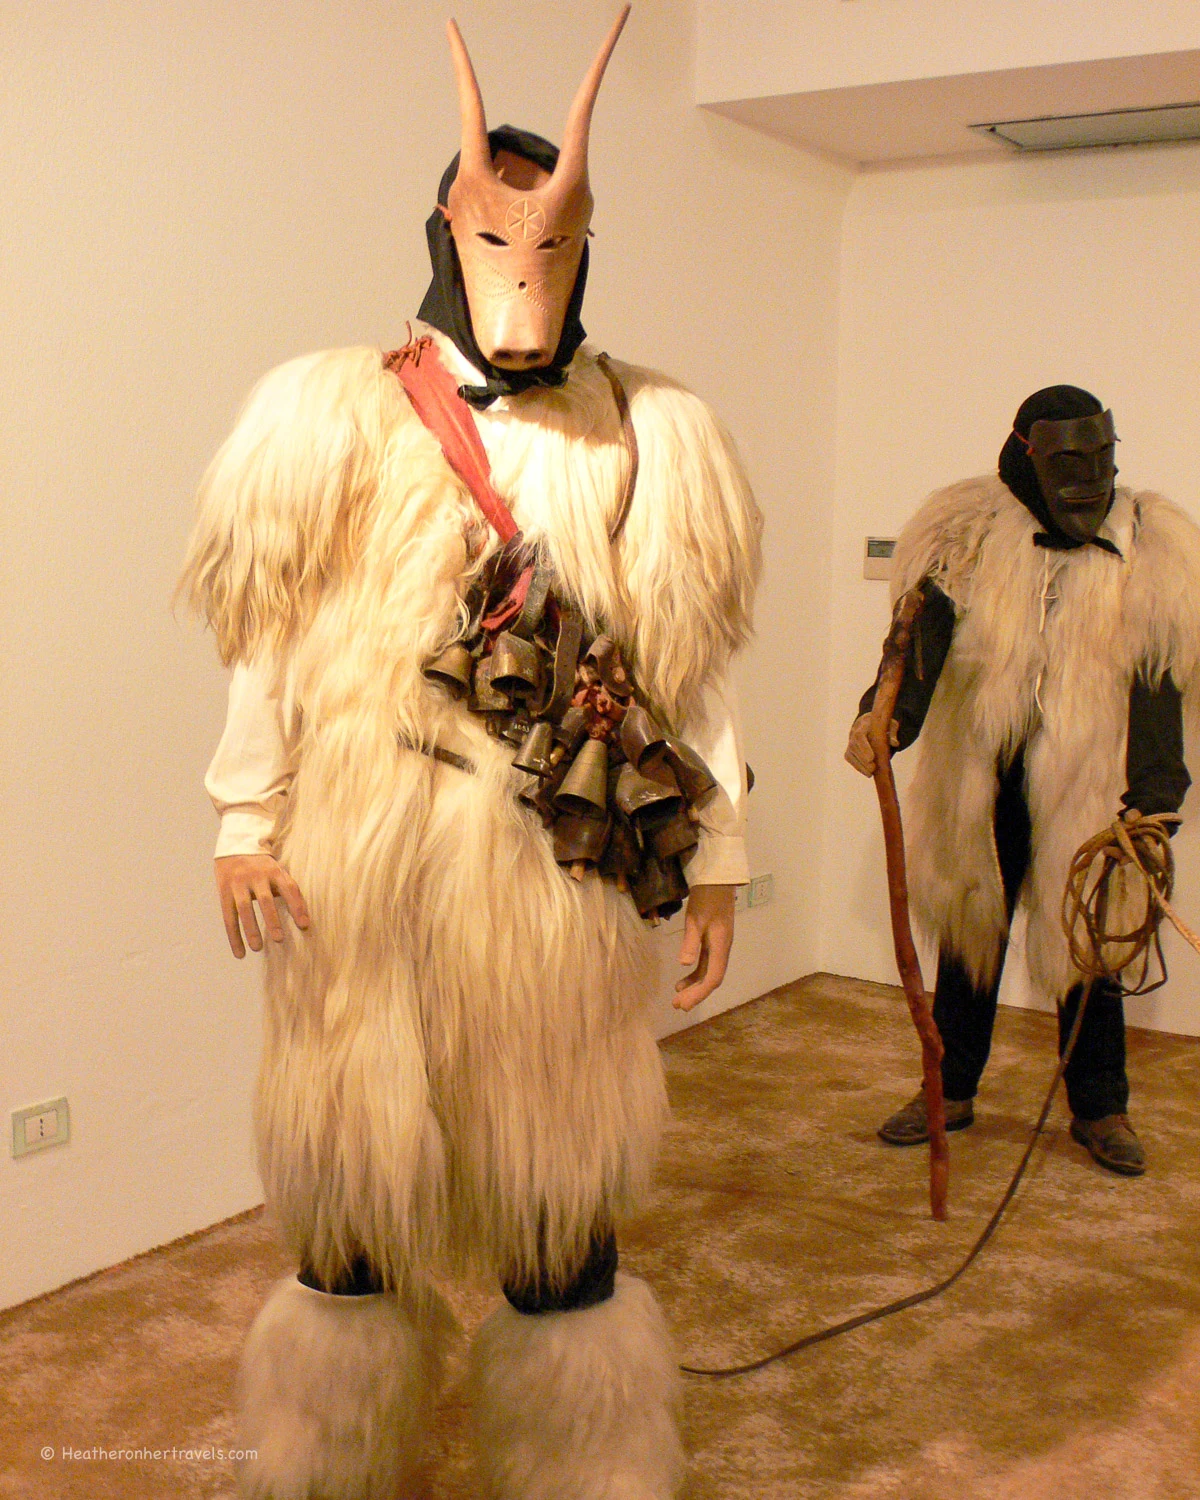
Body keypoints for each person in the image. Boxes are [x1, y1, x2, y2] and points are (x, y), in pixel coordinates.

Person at [180, 11, 760, 1498]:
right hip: (356, 871)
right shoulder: (324, 414)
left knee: (555, 1192)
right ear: (449, 235)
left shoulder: (650, 431)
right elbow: (269, 638)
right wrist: (247, 815)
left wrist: (717, 855)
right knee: (353, 1192)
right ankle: (329, 1455)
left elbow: (685, 671)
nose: (525, 275)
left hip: (549, 878)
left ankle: (585, 1468)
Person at [846, 385, 1199, 1178]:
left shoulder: (1152, 542)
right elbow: (919, 638)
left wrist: (1154, 798)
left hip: (1089, 775)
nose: (1090, 481)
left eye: (1102, 460)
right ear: (1028, 456)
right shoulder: (967, 532)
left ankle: (1101, 1105)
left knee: (1091, 939)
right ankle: (952, 1089)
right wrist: (885, 717)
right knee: (972, 935)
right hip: (983, 766)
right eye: (1069, 462)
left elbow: (1158, 680)